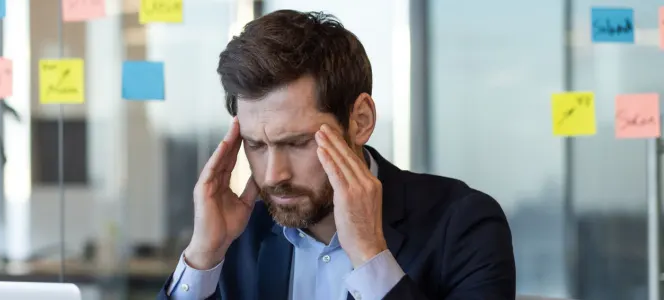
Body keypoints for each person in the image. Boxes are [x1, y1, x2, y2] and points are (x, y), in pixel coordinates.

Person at [157, 9, 516, 300]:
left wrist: (371, 257)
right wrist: (203, 257)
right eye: (257, 145)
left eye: (298, 143)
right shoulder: (235, 236)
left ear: (360, 121)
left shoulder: (463, 224)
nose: (272, 175)